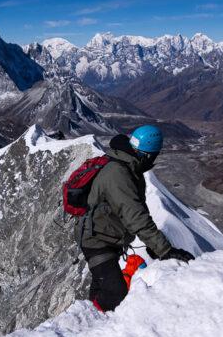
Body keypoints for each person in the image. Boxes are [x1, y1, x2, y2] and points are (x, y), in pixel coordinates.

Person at [76, 125, 195, 312]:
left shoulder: (128, 167)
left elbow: (137, 207)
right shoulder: (119, 174)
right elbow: (135, 216)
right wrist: (164, 250)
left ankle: (89, 315)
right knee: (116, 293)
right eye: (154, 156)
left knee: (103, 285)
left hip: (105, 236)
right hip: (96, 240)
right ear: (147, 155)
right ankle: (97, 325)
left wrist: (154, 245)